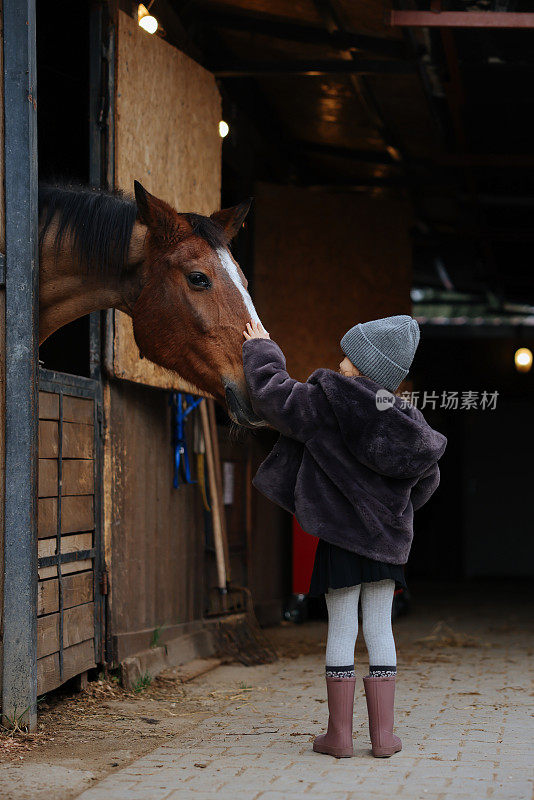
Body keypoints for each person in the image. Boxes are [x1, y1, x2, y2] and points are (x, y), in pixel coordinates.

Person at [242, 315, 447, 759]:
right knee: (379, 626)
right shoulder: (408, 421)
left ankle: (340, 737)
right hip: (385, 547)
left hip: (339, 541)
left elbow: (272, 396)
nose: (340, 360)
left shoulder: (326, 403)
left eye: (349, 355)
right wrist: (394, 512)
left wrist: (262, 348)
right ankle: (383, 738)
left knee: (341, 626)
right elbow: (427, 482)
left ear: (361, 366)